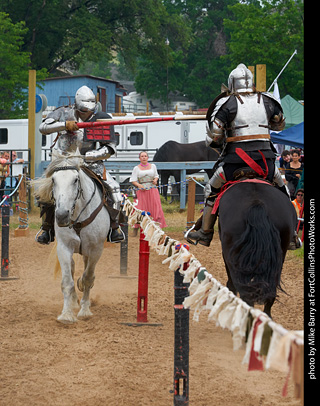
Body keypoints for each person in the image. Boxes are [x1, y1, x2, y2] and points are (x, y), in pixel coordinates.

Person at [185, 63, 288, 247]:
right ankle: (293, 235)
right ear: (252, 82)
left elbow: (215, 137)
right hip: (266, 163)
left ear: (232, 83)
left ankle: (205, 232)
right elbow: (279, 124)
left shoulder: (226, 103)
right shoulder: (268, 100)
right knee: (282, 190)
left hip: (235, 164)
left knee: (211, 190)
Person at [36, 85, 125, 245]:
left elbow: (110, 147)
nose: (87, 113)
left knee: (114, 189)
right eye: (83, 111)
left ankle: (114, 227)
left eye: (89, 111)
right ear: (76, 106)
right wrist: (64, 125)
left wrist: (92, 155)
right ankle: (47, 228)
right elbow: (43, 128)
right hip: (64, 160)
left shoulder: (102, 118)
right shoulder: (62, 112)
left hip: (89, 162)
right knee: (47, 191)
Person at [130, 151, 167, 229]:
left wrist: (155, 180)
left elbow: (156, 175)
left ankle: (156, 223)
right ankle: (142, 223)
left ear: (148, 157)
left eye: (145, 156)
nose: (144, 158)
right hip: (142, 190)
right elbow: (133, 180)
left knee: (155, 206)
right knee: (142, 207)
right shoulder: (136, 168)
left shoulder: (153, 166)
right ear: (139, 158)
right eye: (142, 156)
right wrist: (139, 185)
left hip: (152, 189)